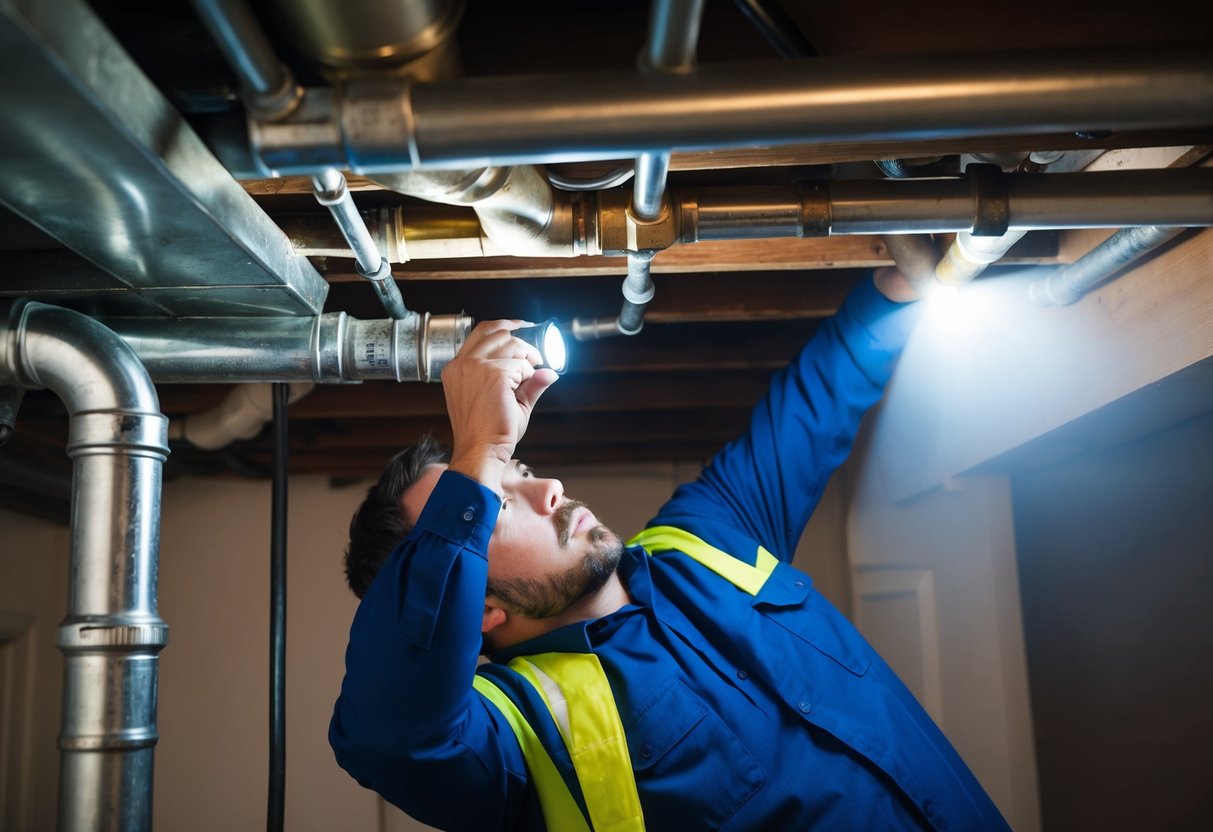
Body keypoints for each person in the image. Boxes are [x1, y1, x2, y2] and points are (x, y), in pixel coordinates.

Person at [329, 268, 1010, 831]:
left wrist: (900, 285)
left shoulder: (704, 536)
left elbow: (818, 400)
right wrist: (480, 450)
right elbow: (389, 737)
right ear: (472, 609)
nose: (549, 490)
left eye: (523, 470)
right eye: (496, 505)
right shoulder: (512, 742)